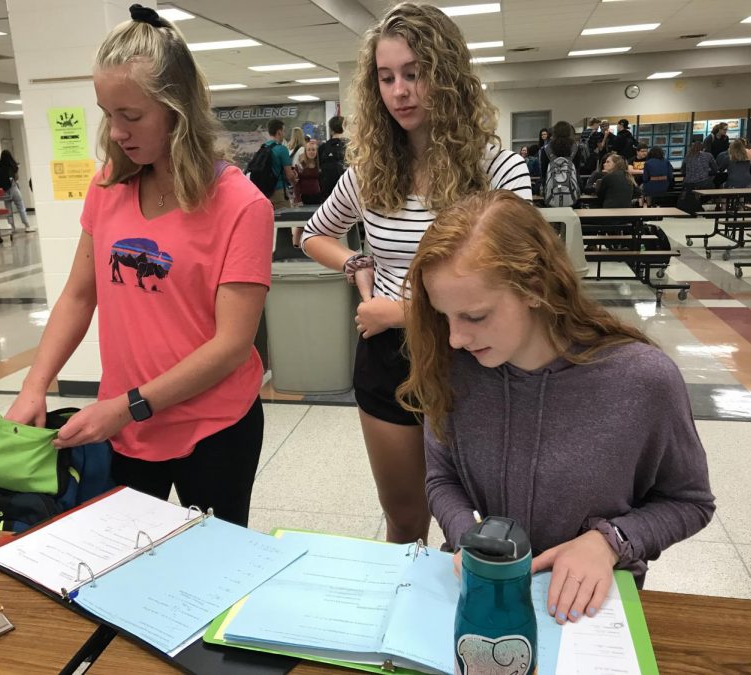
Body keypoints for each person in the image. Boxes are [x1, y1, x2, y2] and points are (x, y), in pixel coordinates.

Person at [4, 4, 273, 527]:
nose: (117, 131)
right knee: (119, 566)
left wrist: (127, 405)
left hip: (213, 426)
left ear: (178, 110)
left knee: (212, 573)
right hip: (125, 429)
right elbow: (79, 296)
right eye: (109, 113)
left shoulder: (242, 205)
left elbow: (231, 344)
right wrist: (34, 386)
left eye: (132, 116)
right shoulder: (108, 187)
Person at [398, 189, 714, 624]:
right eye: (444, 316)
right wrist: (467, 534)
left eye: (474, 316)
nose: (454, 338)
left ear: (536, 288)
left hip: (590, 612)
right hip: (477, 596)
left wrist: (610, 541)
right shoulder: (454, 368)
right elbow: (442, 477)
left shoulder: (642, 380)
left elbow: (690, 501)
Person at [301, 2, 531, 544]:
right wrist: (357, 264)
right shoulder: (371, 173)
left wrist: (399, 311)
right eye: (386, 78)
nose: (400, 91)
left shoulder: (498, 169)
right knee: (405, 521)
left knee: (487, 527)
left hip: (475, 357)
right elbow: (313, 234)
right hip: (390, 362)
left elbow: (518, 281)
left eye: (414, 73)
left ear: (446, 75)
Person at [539, 120, 586, 205]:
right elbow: (577, 171)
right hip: (572, 192)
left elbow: (543, 173)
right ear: (569, 132)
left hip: (551, 192)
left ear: (554, 132)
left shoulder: (545, 149)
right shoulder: (576, 148)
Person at [0, 149, 34, 233]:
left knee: (8, 209)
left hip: (3, 191)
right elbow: (16, 178)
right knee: (21, 207)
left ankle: (12, 227)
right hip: (13, 189)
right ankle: (27, 226)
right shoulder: (12, 165)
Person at [264, 119, 297, 211]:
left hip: (265, 191)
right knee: (285, 222)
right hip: (279, 191)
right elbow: (289, 175)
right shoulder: (282, 149)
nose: (284, 133)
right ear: (279, 132)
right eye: (283, 131)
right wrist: (295, 182)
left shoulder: (263, 147)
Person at [317, 115, 348, 200]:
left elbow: (319, 168)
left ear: (331, 129)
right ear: (344, 126)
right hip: (347, 189)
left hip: (328, 191)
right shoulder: (350, 146)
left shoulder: (322, 147)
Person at [294, 139, 322, 205]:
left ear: (316, 151)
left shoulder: (319, 165)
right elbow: (296, 184)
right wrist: (298, 199)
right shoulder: (300, 165)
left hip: (317, 196)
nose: (311, 152)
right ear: (305, 152)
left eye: (313, 150)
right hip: (304, 198)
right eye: (309, 150)